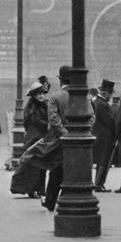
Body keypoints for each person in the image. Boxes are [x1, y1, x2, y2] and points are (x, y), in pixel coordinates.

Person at [9, 82, 50, 198]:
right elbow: (35, 121)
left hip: (42, 137)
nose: (41, 96)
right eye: (38, 94)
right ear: (34, 95)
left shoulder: (43, 105)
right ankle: (34, 189)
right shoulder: (31, 106)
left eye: (42, 93)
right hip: (34, 138)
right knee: (34, 165)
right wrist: (48, 125)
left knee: (42, 165)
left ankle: (41, 189)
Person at [42, 65, 73, 211]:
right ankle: (67, 198)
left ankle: (50, 201)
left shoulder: (55, 97)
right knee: (73, 171)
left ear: (60, 81)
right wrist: (79, 134)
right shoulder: (82, 96)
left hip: (59, 141)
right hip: (79, 142)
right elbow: (92, 117)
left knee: (56, 171)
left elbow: (53, 120)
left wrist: (64, 133)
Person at [92, 79, 115, 192]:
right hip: (104, 137)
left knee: (101, 160)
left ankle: (98, 183)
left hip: (99, 135)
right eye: (110, 94)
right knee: (103, 161)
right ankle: (98, 184)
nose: (110, 96)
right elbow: (110, 121)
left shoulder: (97, 102)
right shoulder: (103, 104)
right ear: (106, 93)